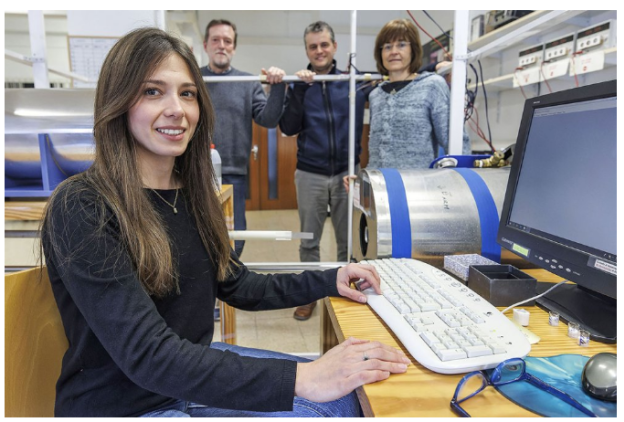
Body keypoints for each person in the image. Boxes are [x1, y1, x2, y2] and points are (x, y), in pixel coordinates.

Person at [40, 27, 410, 418]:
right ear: (117, 101)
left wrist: (329, 279)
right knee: (323, 407)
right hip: (125, 405)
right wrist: (303, 377)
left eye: (187, 93)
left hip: (187, 376)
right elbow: (149, 355)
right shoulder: (83, 205)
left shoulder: (192, 194)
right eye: (152, 91)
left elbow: (239, 285)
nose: (177, 109)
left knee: (349, 397)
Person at [279, 21, 371, 321]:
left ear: (334, 47)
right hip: (311, 174)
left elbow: (393, 78)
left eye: (324, 44)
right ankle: (308, 295)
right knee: (309, 240)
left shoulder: (351, 82)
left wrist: (438, 68)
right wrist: (299, 90)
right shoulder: (299, 84)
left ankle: (347, 291)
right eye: (313, 46)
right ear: (307, 50)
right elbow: (288, 127)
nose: (319, 50)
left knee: (349, 240)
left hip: (348, 173)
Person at [202, 19, 286, 258]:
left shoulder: (248, 83)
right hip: (194, 172)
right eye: (216, 40)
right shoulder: (193, 79)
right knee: (197, 236)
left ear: (234, 47)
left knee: (235, 238)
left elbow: (268, 120)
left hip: (234, 174)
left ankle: (229, 280)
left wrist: (277, 87)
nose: (221, 45)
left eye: (227, 41)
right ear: (206, 45)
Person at [367, 19, 471, 170]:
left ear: (413, 50)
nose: (393, 51)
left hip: (418, 183)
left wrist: (462, 178)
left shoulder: (432, 86)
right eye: (387, 46)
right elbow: (375, 151)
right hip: (379, 183)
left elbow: (455, 143)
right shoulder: (375, 95)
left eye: (401, 45)